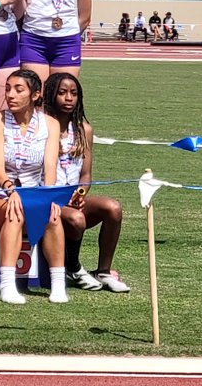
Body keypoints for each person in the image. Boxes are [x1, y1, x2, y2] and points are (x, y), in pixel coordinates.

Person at [0, 69, 67, 305]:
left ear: (35, 95)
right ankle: (8, 284)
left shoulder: (50, 123)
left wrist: (49, 197)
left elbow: (50, 166)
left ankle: (58, 284)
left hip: (34, 193)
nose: (11, 95)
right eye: (8, 89)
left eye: (19, 90)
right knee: (14, 212)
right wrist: (11, 189)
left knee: (52, 215)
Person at [44, 73, 129, 293]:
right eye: (62, 93)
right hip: (48, 201)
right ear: (50, 95)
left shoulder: (84, 129)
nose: (68, 98)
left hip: (73, 199)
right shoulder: (42, 126)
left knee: (113, 208)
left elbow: (86, 175)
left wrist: (80, 193)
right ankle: (73, 267)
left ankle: (103, 271)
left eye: (73, 93)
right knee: (76, 218)